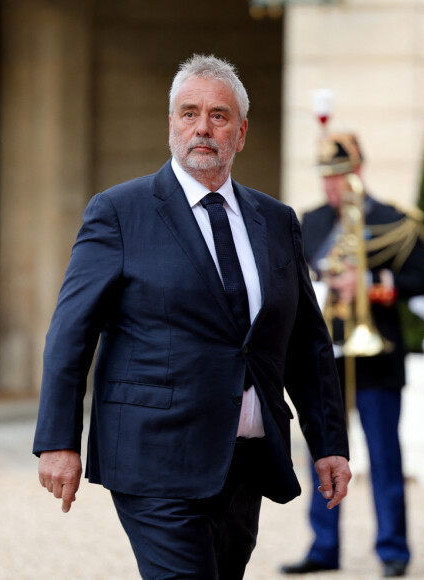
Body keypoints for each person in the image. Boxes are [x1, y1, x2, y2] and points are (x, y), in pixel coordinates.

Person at [33, 54, 351, 580]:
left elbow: (306, 344)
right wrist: (58, 440)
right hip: (153, 456)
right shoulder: (118, 213)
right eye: (189, 113)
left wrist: (329, 444)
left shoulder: (276, 221)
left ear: (241, 132)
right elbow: (71, 331)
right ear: (172, 124)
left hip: (244, 462)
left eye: (218, 116)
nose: (202, 127)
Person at [279, 133, 424, 578]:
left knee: (385, 456)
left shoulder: (393, 220)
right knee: (323, 453)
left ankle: (393, 548)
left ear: (358, 171)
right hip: (324, 356)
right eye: (327, 177)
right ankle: (323, 546)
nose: (333, 186)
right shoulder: (307, 223)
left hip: (378, 354)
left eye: (341, 175)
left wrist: (374, 284)